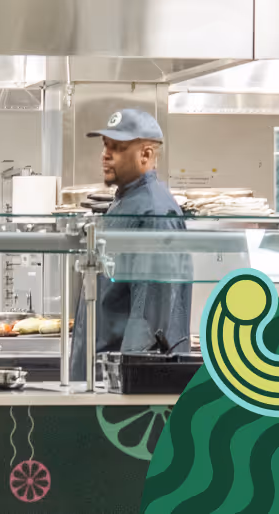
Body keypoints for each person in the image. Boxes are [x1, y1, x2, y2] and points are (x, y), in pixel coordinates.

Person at [72, 108, 192, 378]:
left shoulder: (154, 211)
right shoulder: (125, 202)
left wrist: (122, 383)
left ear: (146, 154)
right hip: (102, 375)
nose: (105, 154)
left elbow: (149, 318)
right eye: (105, 145)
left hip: (122, 384)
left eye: (118, 147)